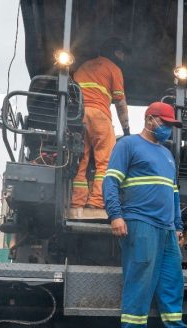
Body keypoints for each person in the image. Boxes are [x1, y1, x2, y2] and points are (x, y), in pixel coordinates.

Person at [103, 101, 187, 328]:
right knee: (140, 279)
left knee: (172, 283)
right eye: (165, 123)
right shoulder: (127, 145)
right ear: (150, 119)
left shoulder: (166, 155)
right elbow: (110, 182)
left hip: (166, 229)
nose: (168, 130)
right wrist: (115, 216)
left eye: (172, 125)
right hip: (140, 222)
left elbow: (173, 193)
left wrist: (177, 225)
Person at [71, 39, 131, 215]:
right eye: (122, 54)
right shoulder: (114, 69)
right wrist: (126, 130)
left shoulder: (82, 67)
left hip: (78, 117)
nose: (123, 57)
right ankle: (96, 202)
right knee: (105, 161)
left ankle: (76, 202)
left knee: (80, 161)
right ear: (115, 52)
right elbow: (120, 102)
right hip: (99, 115)